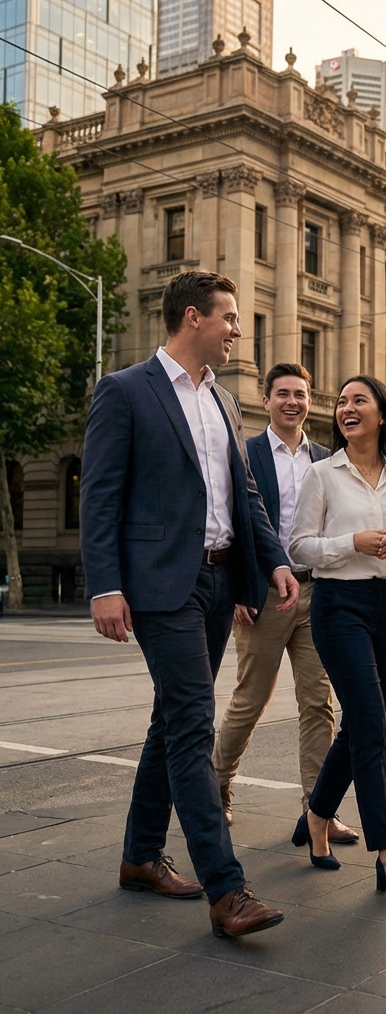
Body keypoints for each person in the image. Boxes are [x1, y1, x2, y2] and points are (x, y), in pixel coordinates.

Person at [80, 270, 297, 937]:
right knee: (192, 727)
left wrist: (276, 561)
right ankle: (227, 891)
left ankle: (141, 855)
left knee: (171, 720)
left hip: (218, 582)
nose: (238, 330)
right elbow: (101, 496)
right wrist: (104, 584)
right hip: (158, 585)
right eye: (230, 318)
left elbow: (247, 497)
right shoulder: (126, 391)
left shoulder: (226, 403)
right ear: (194, 318)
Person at [289, 375, 386, 902]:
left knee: (361, 726)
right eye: (342, 402)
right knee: (370, 727)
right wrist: (354, 542)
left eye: (358, 400)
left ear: (382, 414)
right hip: (336, 605)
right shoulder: (322, 475)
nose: (346, 408)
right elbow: (300, 547)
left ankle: (318, 816)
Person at [212, 362, 357, 847]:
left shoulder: (326, 456)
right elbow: (235, 522)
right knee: (250, 700)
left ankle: (319, 809)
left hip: (316, 592)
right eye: (283, 394)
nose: (292, 402)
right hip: (264, 594)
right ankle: (216, 786)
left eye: (301, 393)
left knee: (319, 703)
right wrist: (239, 589)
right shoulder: (247, 452)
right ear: (267, 399)